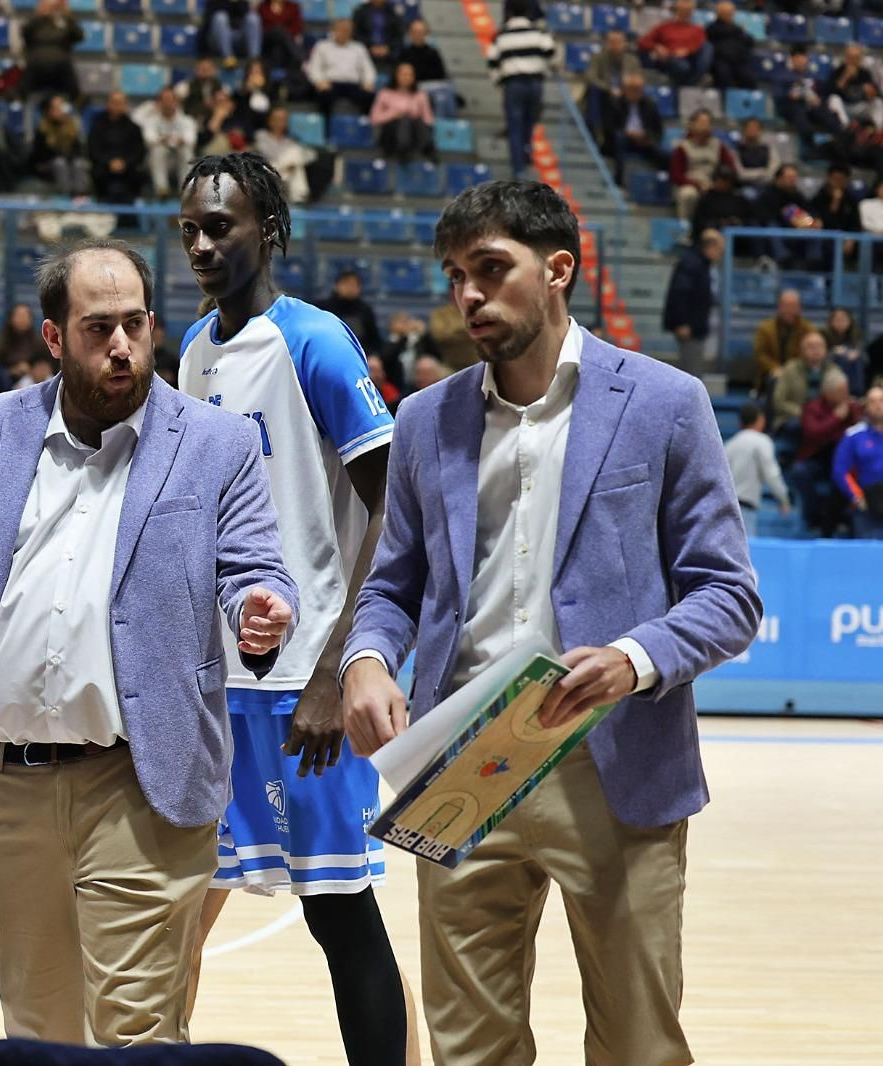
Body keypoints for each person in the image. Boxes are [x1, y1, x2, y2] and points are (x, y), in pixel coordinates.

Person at [341, 179, 760, 1066]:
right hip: (462, 765)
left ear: (559, 268)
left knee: (639, 1046)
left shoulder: (663, 402)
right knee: (468, 1050)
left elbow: (727, 596)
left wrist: (633, 658)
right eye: (456, 275)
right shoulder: (424, 419)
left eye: (491, 269)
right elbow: (390, 587)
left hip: (615, 763)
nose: (469, 296)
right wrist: (368, 659)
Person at [0, 236, 299, 1045]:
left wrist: (261, 608)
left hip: (141, 784)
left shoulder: (215, 443)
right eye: (98, 328)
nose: (121, 346)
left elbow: (256, 568)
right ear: (54, 338)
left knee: (135, 1032)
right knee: (36, 1030)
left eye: (134, 324)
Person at [177, 153, 415, 1066]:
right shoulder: (194, 351)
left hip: (301, 690)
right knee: (175, 916)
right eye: (191, 228)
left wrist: (336, 666)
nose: (202, 243)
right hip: (216, 685)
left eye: (221, 226)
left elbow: (396, 506)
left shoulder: (313, 342)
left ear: (268, 231)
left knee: (339, 915)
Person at [487, 0, 557, 179]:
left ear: (508, 12)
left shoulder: (501, 35)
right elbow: (550, 52)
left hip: (514, 84)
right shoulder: (538, 32)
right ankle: (526, 151)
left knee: (515, 126)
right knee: (530, 122)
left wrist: (499, 82)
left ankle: (518, 169)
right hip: (535, 83)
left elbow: (492, 61)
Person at [796, 367, 859, 537]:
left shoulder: (851, 407)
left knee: (844, 475)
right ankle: (813, 517)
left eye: (846, 390)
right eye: (841, 391)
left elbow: (859, 431)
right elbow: (812, 432)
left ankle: (843, 520)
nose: (845, 394)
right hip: (815, 455)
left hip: (841, 458)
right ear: (828, 392)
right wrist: (836, 418)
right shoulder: (812, 407)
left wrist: (855, 410)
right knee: (800, 472)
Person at [725, 400, 791, 536]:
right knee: (747, 551)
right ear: (760, 420)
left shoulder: (729, 445)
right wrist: (783, 498)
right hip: (745, 508)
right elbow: (772, 474)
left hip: (727, 508)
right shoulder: (762, 441)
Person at [662, 228, 723, 376]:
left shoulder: (700, 264)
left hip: (696, 326)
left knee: (693, 370)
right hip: (690, 328)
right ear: (710, 247)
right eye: (719, 250)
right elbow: (679, 293)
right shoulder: (692, 264)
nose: (720, 255)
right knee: (691, 373)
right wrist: (681, 322)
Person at [833, 386, 883, 539]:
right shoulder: (854, 435)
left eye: (881, 400)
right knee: (868, 556)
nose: (878, 405)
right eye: (872, 401)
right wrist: (857, 497)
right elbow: (840, 471)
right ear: (866, 406)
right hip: (868, 506)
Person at [670, 109, 736, 223]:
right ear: (692, 125)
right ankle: (686, 230)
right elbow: (676, 175)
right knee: (688, 195)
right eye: (701, 123)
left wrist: (717, 184)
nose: (705, 127)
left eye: (707, 123)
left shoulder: (719, 146)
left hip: (713, 184)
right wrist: (697, 185)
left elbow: (730, 168)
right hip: (690, 184)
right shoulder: (682, 147)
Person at [305, 19, 376, 123]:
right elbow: (314, 67)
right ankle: (326, 128)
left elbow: (368, 69)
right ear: (334, 30)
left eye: (347, 30)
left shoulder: (359, 48)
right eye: (341, 29)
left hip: (353, 85)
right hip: (330, 84)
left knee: (369, 96)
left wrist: (368, 82)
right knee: (323, 96)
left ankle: (363, 125)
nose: (344, 32)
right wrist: (319, 81)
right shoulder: (322, 46)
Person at [134, 87, 199, 200]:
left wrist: (181, 140)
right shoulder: (151, 120)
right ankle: (162, 189)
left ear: (176, 102)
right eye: (164, 100)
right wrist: (162, 140)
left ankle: (185, 189)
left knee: (186, 151)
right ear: (159, 102)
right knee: (158, 149)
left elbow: (191, 139)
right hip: (157, 162)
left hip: (179, 161)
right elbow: (148, 139)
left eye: (170, 100)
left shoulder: (187, 121)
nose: (167, 103)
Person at [87, 91, 148, 209]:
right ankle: (101, 206)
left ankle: (134, 207)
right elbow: (93, 150)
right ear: (108, 104)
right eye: (114, 102)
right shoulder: (97, 126)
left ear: (125, 105)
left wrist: (124, 162)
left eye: (120, 103)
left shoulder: (134, 127)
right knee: (97, 173)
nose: (117, 106)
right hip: (104, 167)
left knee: (139, 174)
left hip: (128, 168)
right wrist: (109, 162)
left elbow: (139, 151)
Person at [369, 61, 437, 165]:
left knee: (414, 122)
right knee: (403, 121)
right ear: (396, 75)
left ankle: (425, 151)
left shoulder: (420, 95)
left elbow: (429, 119)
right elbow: (374, 118)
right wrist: (394, 114)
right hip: (391, 134)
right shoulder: (385, 93)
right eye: (403, 74)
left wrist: (414, 116)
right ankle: (404, 151)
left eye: (410, 74)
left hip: (414, 132)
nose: (406, 77)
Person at [777, 47, 843, 149]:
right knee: (801, 118)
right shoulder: (783, 76)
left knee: (829, 117)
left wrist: (818, 99)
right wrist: (789, 95)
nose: (803, 61)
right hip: (792, 107)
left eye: (804, 58)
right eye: (799, 58)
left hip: (810, 105)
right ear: (793, 59)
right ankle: (812, 148)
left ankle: (838, 143)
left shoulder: (811, 76)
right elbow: (778, 94)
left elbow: (822, 91)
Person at [773, 330, 839, 432]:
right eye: (811, 347)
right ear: (802, 350)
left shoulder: (833, 370)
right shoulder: (790, 369)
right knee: (807, 425)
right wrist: (805, 413)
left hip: (824, 418)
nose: (816, 350)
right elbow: (779, 401)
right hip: (794, 417)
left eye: (820, 346)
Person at [583, 29, 641, 143]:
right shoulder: (598, 58)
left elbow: (638, 79)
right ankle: (595, 129)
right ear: (607, 43)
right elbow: (591, 77)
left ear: (624, 43)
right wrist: (610, 89)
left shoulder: (632, 60)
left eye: (619, 41)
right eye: (612, 41)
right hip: (604, 94)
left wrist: (625, 88)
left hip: (625, 94)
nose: (615, 44)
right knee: (593, 90)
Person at [753, 288, 815, 394]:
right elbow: (760, 355)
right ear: (779, 307)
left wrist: (791, 371)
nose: (789, 310)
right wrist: (775, 368)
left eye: (793, 306)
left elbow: (810, 353)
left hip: (799, 373)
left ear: (799, 308)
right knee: (775, 381)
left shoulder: (808, 329)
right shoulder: (765, 328)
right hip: (771, 374)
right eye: (785, 306)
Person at [253, 107, 318, 203]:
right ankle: (300, 196)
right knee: (295, 153)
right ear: (270, 121)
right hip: (266, 172)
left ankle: (299, 199)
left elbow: (312, 155)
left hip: (286, 173)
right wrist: (287, 164)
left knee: (296, 156)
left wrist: (292, 164)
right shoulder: (261, 136)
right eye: (277, 119)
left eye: (283, 119)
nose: (280, 123)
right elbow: (267, 153)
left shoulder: (291, 141)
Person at [637, 0, 709, 87]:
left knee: (708, 47)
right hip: (670, 58)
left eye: (688, 11)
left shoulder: (698, 29)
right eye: (683, 10)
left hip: (691, 59)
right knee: (682, 67)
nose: (685, 14)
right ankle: (692, 82)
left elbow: (700, 46)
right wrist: (656, 47)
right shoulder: (665, 27)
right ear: (677, 11)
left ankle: (693, 79)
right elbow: (643, 42)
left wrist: (688, 51)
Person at [22, 0, 83, 102]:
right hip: (37, 67)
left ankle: (74, 106)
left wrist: (67, 16)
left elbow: (79, 36)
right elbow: (24, 33)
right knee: (22, 87)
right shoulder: (36, 23)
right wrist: (39, 16)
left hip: (61, 69)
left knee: (73, 87)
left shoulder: (64, 23)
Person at [316, 268, 382, 356]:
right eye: (346, 283)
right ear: (337, 285)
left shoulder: (365, 310)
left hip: (360, 356)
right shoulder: (322, 307)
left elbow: (374, 340)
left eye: (354, 285)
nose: (350, 288)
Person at [824, 43, 882, 129]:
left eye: (856, 58)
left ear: (860, 59)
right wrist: (845, 77)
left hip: (859, 107)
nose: (853, 60)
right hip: (844, 107)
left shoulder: (864, 73)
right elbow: (828, 92)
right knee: (834, 99)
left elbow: (877, 94)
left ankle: (879, 131)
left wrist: (871, 93)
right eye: (850, 57)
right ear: (846, 58)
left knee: (878, 103)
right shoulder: (838, 71)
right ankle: (846, 127)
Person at [691, 165, 752, 239]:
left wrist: (738, 222)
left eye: (727, 180)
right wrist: (719, 223)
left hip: (738, 239)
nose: (724, 183)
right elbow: (698, 223)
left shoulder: (738, 198)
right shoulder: (707, 199)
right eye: (722, 180)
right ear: (715, 180)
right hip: (713, 237)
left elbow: (749, 218)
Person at [706, 1, 756, 90]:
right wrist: (737, 30)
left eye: (731, 13)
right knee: (723, 75)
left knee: (749, 78)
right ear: (719, 13)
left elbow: (750, 42)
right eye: (726, 13)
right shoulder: (712, 28)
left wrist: (741, 31)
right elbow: (718, 34)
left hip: (739, 61)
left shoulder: (737, 29)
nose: (729, 15)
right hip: (720, 61)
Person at [823, 307, 868, 398]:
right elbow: (821, 358)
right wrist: (834, 352)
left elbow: (866, 359)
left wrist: (858, 354)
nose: (840, 323)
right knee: (841, 358)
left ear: (850, 321)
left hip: (854, 373)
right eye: (837, 320)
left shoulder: (857, 335)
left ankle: (856, 394)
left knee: (856, 359)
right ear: (831, 322)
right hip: (830, 371)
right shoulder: (824, 335)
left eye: (844, 320)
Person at [352, 0, 405, 73]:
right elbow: (356, 33)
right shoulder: (361, 11)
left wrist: (388, 47)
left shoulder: (393, 11)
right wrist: (370, 47)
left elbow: (399, 34)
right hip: (365, 51)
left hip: (389, 53)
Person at [203, 0, 262, 66]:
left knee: (253, 18)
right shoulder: (213, 2)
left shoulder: (242, 2)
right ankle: (228, 57)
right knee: (220, 17)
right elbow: (208, 24)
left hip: (237, 38)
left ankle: (254, 59)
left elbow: (244, 12)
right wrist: (229, 2)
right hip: (217, 40)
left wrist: (237, 3)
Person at [256, 0, 306, 77]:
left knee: (279, 41)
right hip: (267, 43)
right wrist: (280, 29)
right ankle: (302, 58)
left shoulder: (293, 7)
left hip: (284, 47)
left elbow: (297, 27)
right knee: (278, 30)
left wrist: (284, 32)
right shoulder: (262, 7)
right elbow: (260, 28)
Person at [0, 303, 44, 378]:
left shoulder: (40, 342)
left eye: (25, 316)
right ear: (10, 319)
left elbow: (45, 366)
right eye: (19, 316)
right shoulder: (1, 341)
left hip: (33, 380)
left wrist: (32, 370)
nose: (22, 319)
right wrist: (13, 370)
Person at [177, 57, 226, 126]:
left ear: (214, 70)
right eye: (202, 69)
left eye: (208, 69)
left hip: (212, 121)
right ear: (196, 70)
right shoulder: (186, 86)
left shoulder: (221, 86)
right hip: (191, 120)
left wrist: (218, 101)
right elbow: (177, 103)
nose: (205, 72)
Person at [734, 116, 779, 187]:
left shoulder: (768, 148)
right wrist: (762, 172)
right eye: (749, 128)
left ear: (761, 131)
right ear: (744, 130)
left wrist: (760, 175)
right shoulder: (737, 149)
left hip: (767, 185)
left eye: (755, 128)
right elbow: (740, 173)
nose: (752, 130)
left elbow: (773, 171)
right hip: (743, 186)